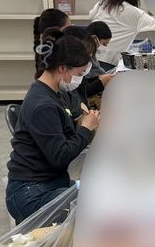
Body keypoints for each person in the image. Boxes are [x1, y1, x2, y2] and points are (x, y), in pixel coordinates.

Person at [6, 30, 99, 223]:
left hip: (48, 183)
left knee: (102, 194)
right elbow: (60, 156)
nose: (80, 79)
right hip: (31, 194)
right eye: (79, 74)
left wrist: (82, 122)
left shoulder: (51, 92)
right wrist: (85, 130)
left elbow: (59, 132)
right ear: (63, 68)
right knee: (100, 210)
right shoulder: (43, 105)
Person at [32, 7, 70, 77]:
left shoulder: (45, 52)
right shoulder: (58, 56)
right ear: (57, 31)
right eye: (68, 27)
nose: (71, 30)